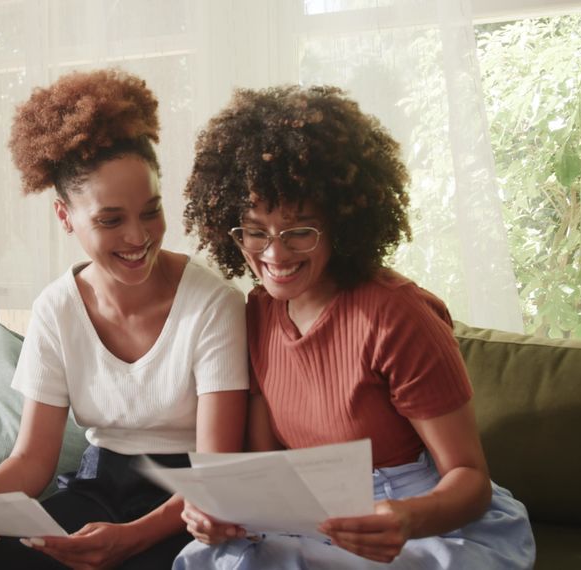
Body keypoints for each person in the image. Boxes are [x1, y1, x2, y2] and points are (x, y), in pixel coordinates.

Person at [174, 85, 536, 569]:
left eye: (299, 230)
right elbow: (266, 473)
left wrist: (405, 517)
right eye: (255, 231)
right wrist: (220, 516)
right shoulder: (257, 312)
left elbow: (469, 479)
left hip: (416, 517)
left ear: (342, 223)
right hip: (308, 517)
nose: (274, 254)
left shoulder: (396, 313)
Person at [0, 69, 250, 570]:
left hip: (186, 506)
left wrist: (129, 539)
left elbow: (217, 472)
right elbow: (32, 462)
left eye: (150, 211)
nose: (139, 236)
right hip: (96, 488)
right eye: (110, 219)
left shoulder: (214, 306)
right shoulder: (56, 308)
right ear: (65, 217)